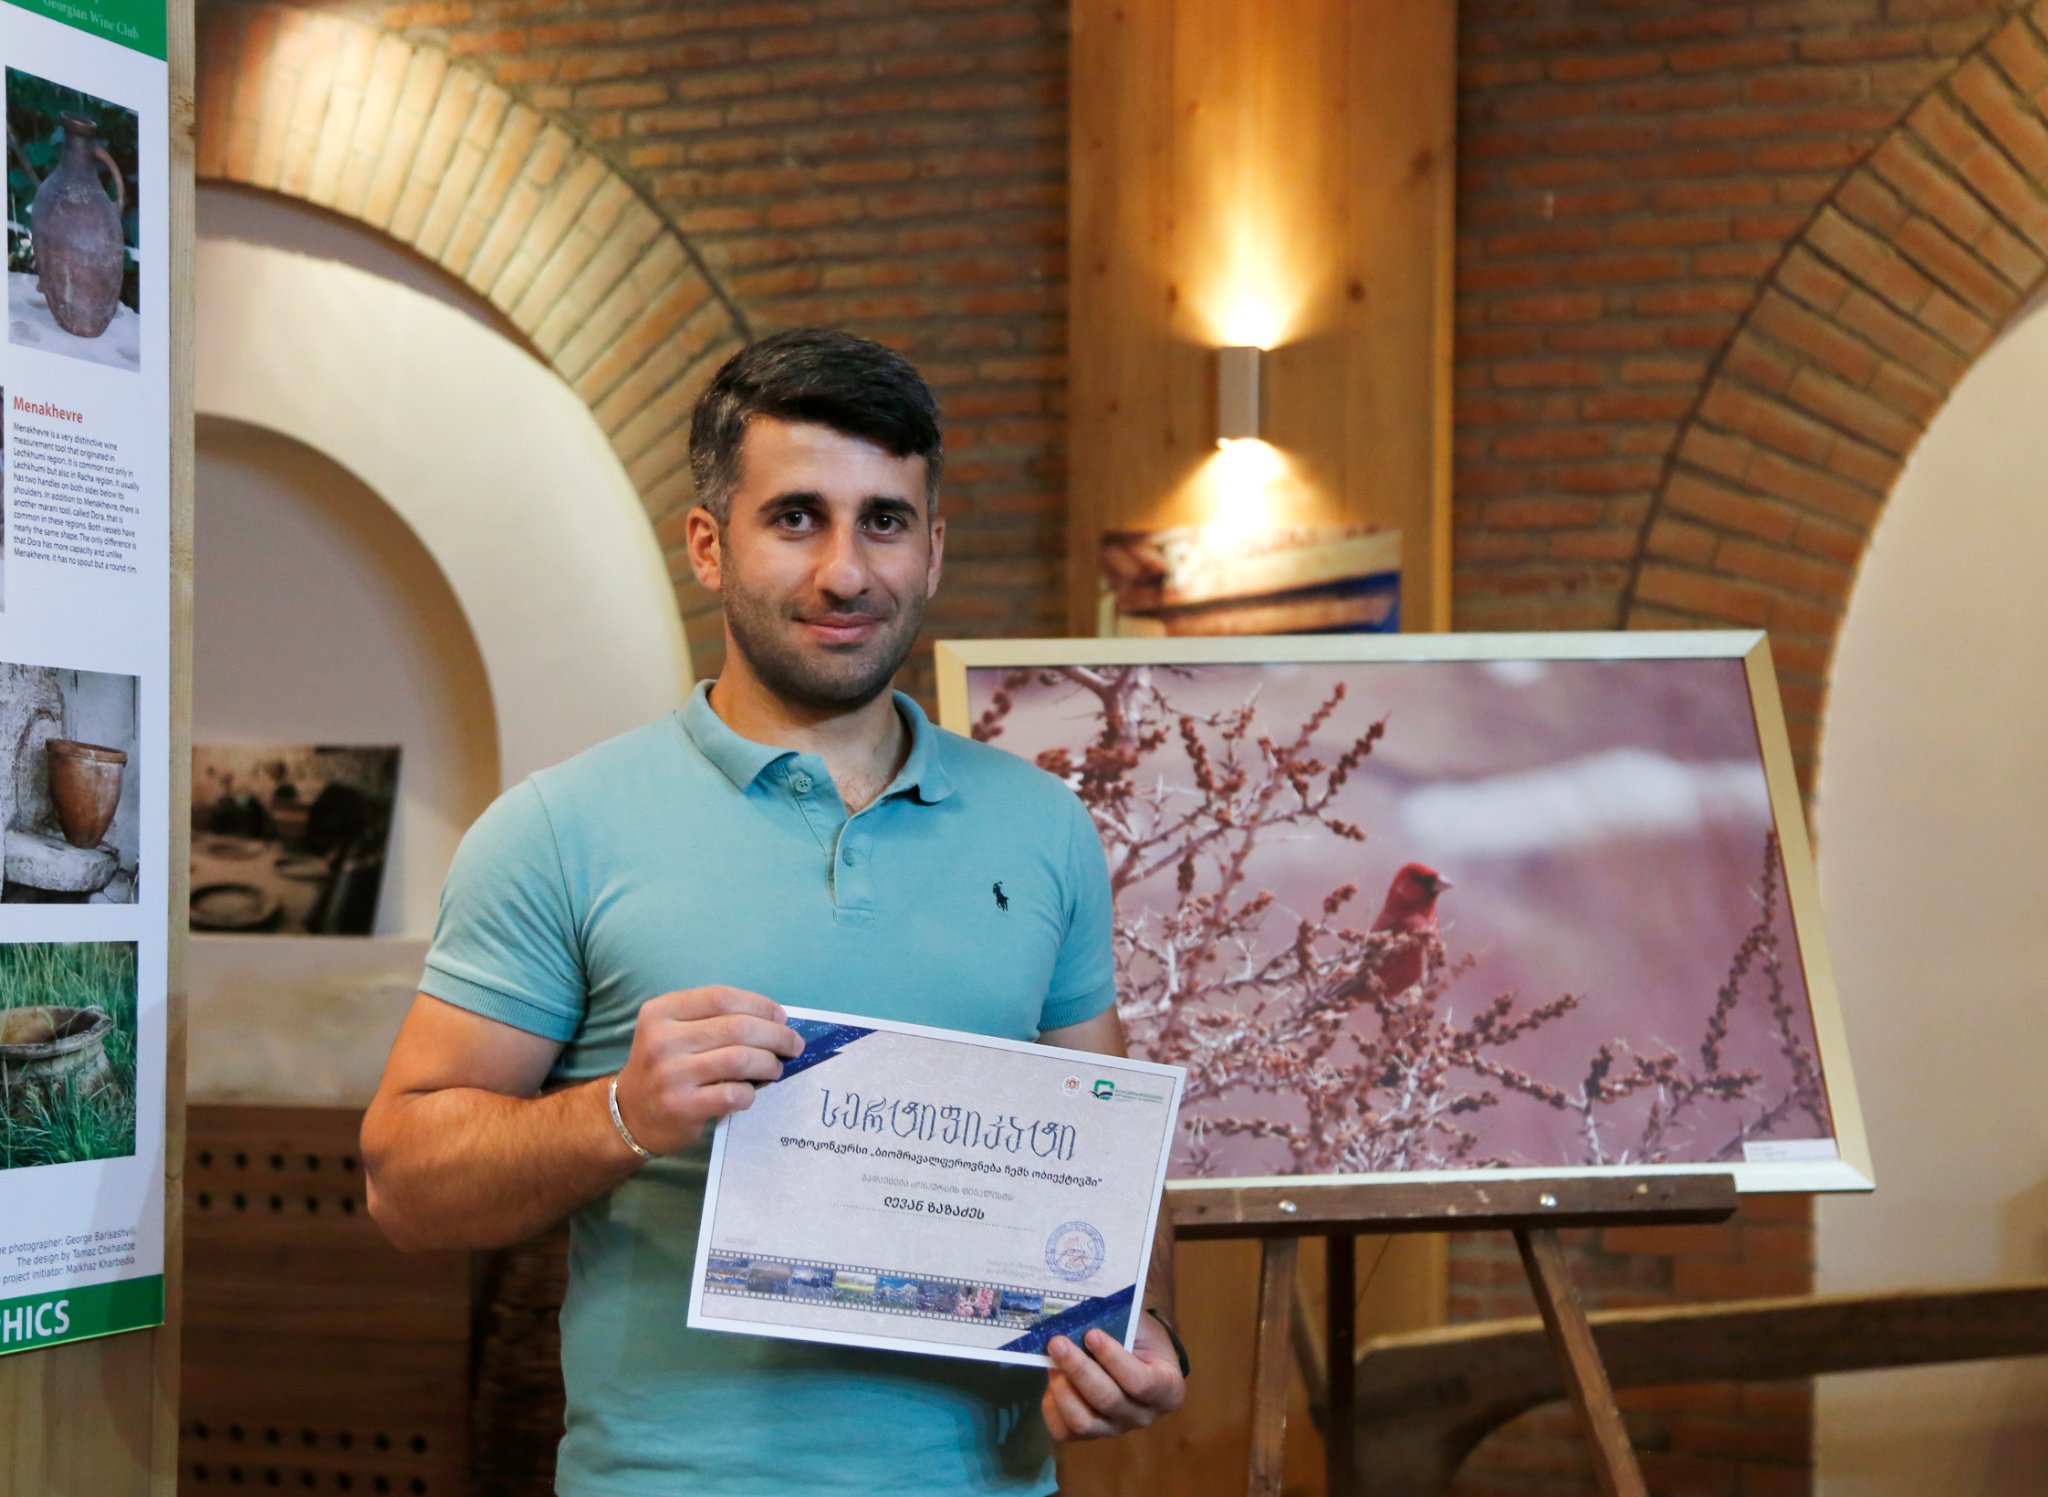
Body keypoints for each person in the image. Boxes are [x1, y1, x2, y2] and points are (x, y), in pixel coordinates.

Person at [361, 327, 1186, 1495]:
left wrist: (1146, 1335)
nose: (844, 572)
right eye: (796, 518)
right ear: (708, 544)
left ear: (933, 551)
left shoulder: (1041, 828)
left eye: (883, 522)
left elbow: (1112, 1157)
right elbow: (401, 1184)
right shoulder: (557, 829)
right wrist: (620, 1112)